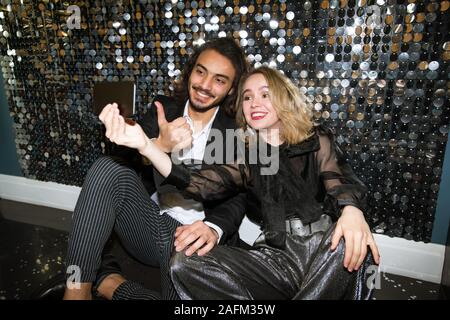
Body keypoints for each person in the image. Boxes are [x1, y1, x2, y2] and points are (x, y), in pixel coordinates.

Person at [100, 66, 381, 300]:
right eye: (247, 98)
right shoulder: (249, 156)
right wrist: (147, 147)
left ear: (283, 98)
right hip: (274, 256)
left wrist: (352, 212)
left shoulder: (315, 139)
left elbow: (340, 180)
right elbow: (199, 184)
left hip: (325, 248)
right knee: (184, 263)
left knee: (352, 240)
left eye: (264, 95)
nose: (254, 104)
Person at [63, 37, 249, 300]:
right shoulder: (165, 107)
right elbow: (124, 162)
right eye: (200, 72)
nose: (204, 86)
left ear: (231, 89)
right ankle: (75, 292)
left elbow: (239, 194)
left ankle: (115, 286)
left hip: (193, 237)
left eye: (219, 80)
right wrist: (159, 144)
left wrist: (214, 229)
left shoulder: (233, 129)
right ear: (191, 71)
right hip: (150, 225)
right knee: (106, 167)